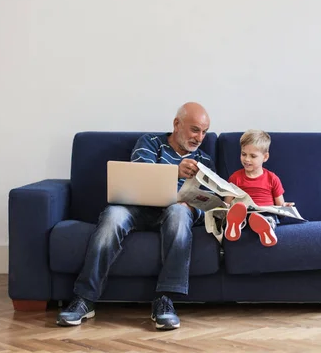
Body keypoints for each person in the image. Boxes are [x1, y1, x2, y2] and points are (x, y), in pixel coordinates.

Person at [56, 102, 214, 330]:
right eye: (195, 129)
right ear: (177, 124)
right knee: (113, 215)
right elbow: (140, 176)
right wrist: (174, 171)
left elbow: (207, 203)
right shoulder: (150, 142)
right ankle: (85, 299)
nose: (200, 137)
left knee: (180, 211)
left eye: (204, 132)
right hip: (138, 208)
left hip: (174, 214)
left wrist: (192, 208)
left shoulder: (205, 160)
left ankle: (165, 300)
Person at [223, 130, 294, 247]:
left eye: (253, 156)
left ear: (265, 157)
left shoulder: (272, 178)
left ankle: (265, 229)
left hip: (265, 212)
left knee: (269, 217)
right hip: (244, 212)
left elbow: (279, 205)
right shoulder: (235, 178)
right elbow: (227, 203)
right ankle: (234, 226)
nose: (246, 159)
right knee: (238, 212)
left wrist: (285, 207)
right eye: (243, 154)